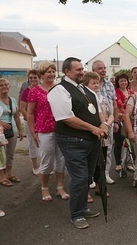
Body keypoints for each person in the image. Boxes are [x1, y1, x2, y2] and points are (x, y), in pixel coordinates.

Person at [48, 57, 108, 229]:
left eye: (82, 69)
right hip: (72, 141)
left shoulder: (84, 89)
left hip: (91, 141)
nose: (82, 72)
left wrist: (102, 124)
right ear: (67, 71)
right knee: (80, 178)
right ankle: (76, 214)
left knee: (87, 177)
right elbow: (66, 118)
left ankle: (82, 208)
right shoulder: (59, 90)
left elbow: (97, 111)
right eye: (78, 70)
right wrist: (93, 128)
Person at [27, 61, 69, 202]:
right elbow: (30, 113)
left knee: (61, 160)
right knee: (46, 161)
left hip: (61, 129)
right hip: (44, 130)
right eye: (48, 72)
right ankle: (44, 188)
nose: (51, 74)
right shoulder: (35, 91)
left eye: (53, 71)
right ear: (41, 75)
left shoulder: (60, 88)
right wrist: (33, 132)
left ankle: (60, 187)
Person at [82, 72, 114, 199]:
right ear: (86, 84)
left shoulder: (103, 98)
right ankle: (86, 190)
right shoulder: (84, 98)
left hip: (104, 134)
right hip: (90, 133)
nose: (96, 85)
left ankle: (100, 187)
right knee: (88, 163)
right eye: (93, 83)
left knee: (101, 162)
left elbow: (111, 114)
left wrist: (106, 125)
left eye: (97, 83)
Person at [0, 78, 24, 187]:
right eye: (1, 85)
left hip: (12, 130)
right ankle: (2, 177)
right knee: (0, 154)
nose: (4, 87)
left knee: (10, 154)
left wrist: (20, 130)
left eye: (6, 85)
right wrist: (2, 123)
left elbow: (16, 116)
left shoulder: (13, 100)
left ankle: (9, 174)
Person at [92, 60, 119, 184]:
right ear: (93, 71)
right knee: (93, 150)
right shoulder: (88, 84)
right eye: (100, 68)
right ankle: (92, 177)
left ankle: (105, 174)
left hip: (109, 123)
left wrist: (115, 122)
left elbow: (114, 104)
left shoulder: (109, 84)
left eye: (104, 68)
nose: (103, 70)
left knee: (108, 149)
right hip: (93, 124)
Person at [19, 69, 40, 176]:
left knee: (45, 143)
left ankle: (46, 166)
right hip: (29, 121)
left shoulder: (42, 89)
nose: (32, 79)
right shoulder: (25, 91)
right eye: (30, 77)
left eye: (35, 77)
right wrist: (31, 120)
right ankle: (35, 166)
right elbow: (22, 108)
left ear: (39, 78)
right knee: (32, 143)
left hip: (42, 121)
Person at [113, 73, 134, 173]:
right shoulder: (115, 92)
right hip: (120, 120)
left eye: (125, 80)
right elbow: (116, 107)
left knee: (129, 143)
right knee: (119, 142)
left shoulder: (131, 92)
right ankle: (118, 163)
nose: (123, 82)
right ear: (117, 82)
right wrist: (121, 116)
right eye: (121, 81)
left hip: (130, 120)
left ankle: (128, 162)